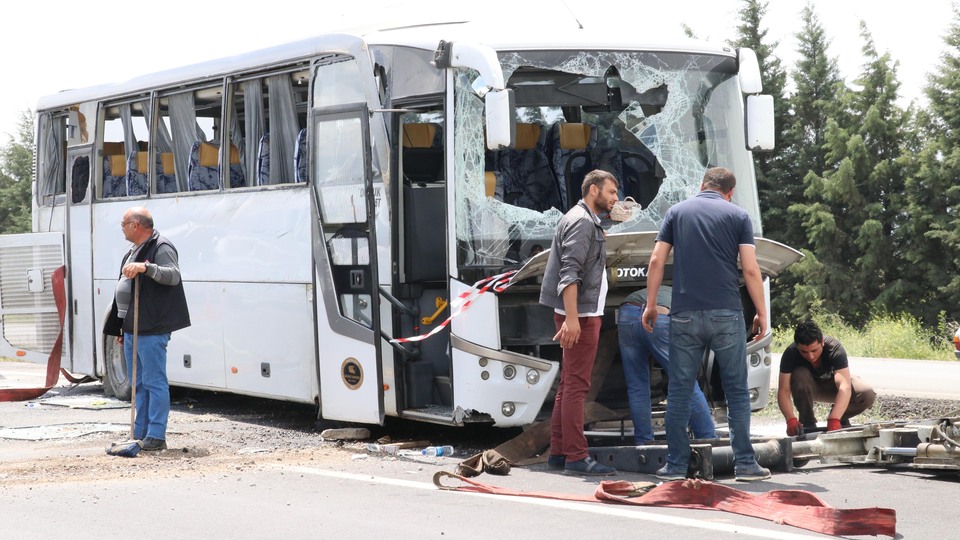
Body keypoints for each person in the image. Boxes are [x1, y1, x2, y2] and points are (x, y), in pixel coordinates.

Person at [643, 166, 772, 482]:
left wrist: (650, 305)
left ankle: (674, 466)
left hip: (684, 313)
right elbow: (751, 270)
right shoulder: (738, 216)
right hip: (727, 314)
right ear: (729, 192)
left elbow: (656, 260)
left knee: (680, 391)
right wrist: (762, 312)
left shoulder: (677, 212)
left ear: (702, 186)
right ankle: (745, 465)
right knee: (737, 391)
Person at [539, 169, 619, 476]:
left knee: (567, 384)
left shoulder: (584, 220)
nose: (615, 198)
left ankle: (559, 451)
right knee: (576, 386)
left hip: (580, 313)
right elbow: (568, 275)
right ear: (594, 190)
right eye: (611, 193)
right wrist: (572, 319)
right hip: (580, 316)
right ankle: (576, 456)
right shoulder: (583, 222)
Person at [103, 207, 191, 451]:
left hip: (152, 327)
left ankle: (156, 434)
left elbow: (173, 276)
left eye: (123, 223)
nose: (121, 227)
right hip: (132, 327)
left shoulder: (161, 246)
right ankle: (139, 432)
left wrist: (146, 268)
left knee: (154, 381)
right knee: (138, 383)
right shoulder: (133, 251)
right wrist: (121, 328)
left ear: (136, 225)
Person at [618, 286, 717, 445]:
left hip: (627, 314)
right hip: (659, 317)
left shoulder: (674, 290)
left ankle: (644, 444)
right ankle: (708, 439)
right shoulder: (700, 302)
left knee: (637, 386)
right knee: (685, 382)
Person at [778, 320, 877, 435]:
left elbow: (844, 386)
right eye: (804, 352)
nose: (810, 356)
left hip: (833, 388)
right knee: (800, 374)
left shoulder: (834, 348)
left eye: (814, 350)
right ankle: (807, 421)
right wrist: (790, 420)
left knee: (867, 393)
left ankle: (840, 416)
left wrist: (834, 418)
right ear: (797, 346)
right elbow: (783, 390)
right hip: (808, 388)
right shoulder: (791, 353)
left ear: (822, 343)